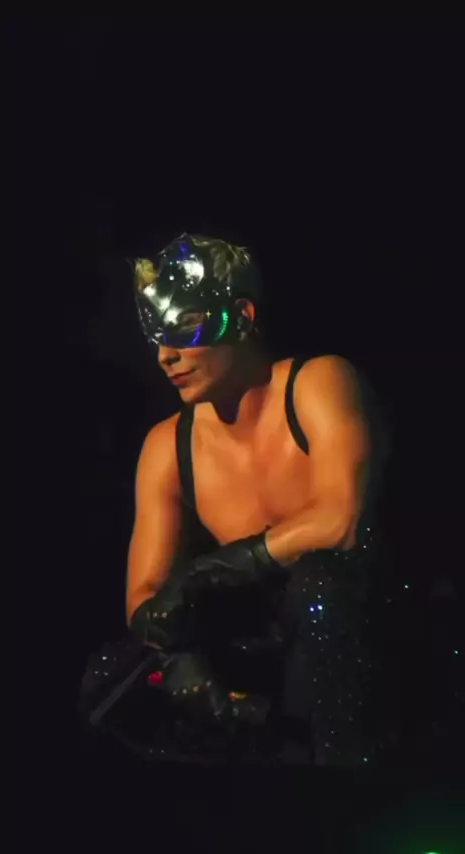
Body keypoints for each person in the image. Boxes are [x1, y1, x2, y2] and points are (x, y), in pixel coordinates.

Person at [126, 233, 387, 765]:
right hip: (264, 645)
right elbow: (143, 598)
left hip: (372, 630)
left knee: (320, 587)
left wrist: (203, 573)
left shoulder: (318, 381)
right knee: (114, 677)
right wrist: (178, 662)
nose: (165, 356)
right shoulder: (166, 446)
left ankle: (348, 787)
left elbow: (340, 522)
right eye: (156, 336)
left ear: (241, 316)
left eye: (183, 327)